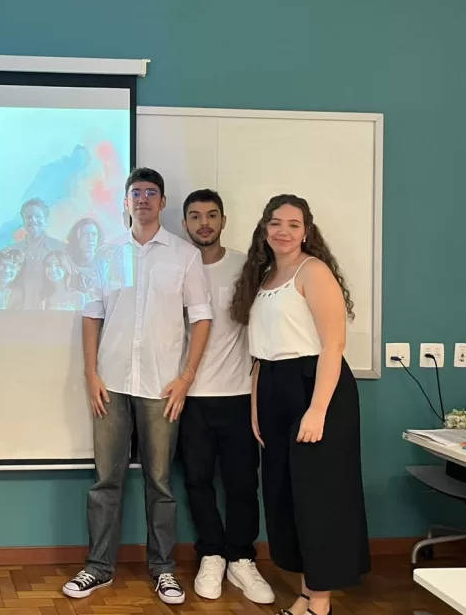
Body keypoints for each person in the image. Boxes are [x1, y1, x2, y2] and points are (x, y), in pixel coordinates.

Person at [62, 168, 213, 605]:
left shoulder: (184, 256)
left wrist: (186, 378)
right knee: (105, 481)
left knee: (160, 483)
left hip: (162, 388)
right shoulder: (106, 255)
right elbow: (92, 316)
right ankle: (98, 567)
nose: (143, 199)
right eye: (136, 193)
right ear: (125, 203)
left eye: (151, 192)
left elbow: (202, 318)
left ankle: (163, 570)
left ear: (162, 202)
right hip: (110, 385)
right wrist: (91, 374)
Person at [229, 195, 369, 615]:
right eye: (276, 223)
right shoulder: (265, 277)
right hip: (273, 388)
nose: (284, 231)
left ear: (307, 231)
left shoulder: (314, 271)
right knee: (287, 494)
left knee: (318, 496)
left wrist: (318, 409)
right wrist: (257, 407)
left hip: (315, 387)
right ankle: (308, 592)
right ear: (264, 229)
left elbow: (333, 345)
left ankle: (319, 603)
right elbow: (261, 353)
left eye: (293, 224)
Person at [178, 189, 274, 604]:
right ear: (184, 223)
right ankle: (212, 554)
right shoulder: (174, 267)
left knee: (242, 483)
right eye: (195, 216)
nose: (204, 223)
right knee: (197, 481)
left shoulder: (247, 267)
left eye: (212, 215)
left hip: (239, 395)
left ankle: (241, 558)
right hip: (189, 398)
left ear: (223, 221)